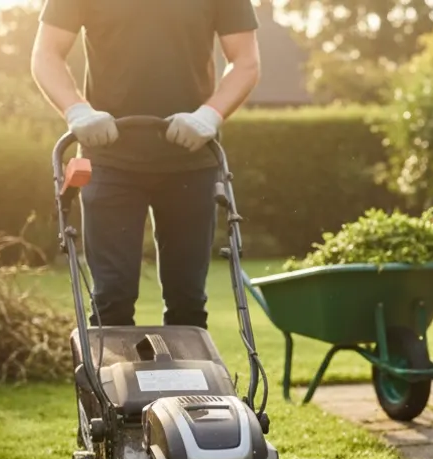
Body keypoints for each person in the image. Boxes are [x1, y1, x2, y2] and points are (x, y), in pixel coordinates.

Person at [31, 0, 262, 330]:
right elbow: (46, 54)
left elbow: (245, 62)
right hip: (109, 158)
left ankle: (184, 381)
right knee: (112, 298)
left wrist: (209, 115)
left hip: (191, 161)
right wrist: (77, 111)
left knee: (188, 301)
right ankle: (109, 382)